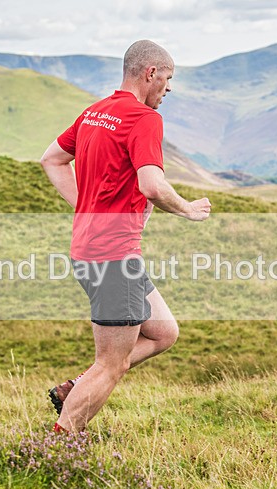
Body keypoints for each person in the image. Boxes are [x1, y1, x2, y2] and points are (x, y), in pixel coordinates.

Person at [40, 40, 212, 433]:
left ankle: (74, 389)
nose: (168, 90)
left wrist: (88, 206)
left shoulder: (96, 111)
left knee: (164, 332)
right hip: (112, 257)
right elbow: (152, 184)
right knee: (111, 363)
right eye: (167, 80)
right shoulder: (144, 118)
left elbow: (50, 159)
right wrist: (187, 208)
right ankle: (59, 447)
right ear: (150, 72)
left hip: (95, 251)